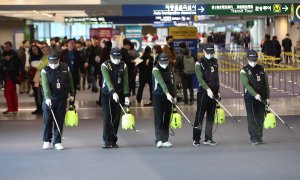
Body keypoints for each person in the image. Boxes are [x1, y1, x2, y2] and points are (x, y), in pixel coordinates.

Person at [41, 52, 75, 150]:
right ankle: (46, 140)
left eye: (55, 62)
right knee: (47, 120)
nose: (53, 64)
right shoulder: (45, 70)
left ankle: (57, 142)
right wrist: (47, 98)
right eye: (51, 62)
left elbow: (70, 82)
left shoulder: (65, 68)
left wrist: (72, 94)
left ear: (59, 60)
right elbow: (45, 86)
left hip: (62, 98)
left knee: (59, 120)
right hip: (49, 99)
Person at [100, 47, 130, 149]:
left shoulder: (123, 65)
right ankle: (107, 140)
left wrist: (126, 96)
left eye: (118, 58)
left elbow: (125, 81)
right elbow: (107, 80)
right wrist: (113, 92)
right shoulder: (105, 65)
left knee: (116, 117)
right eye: (115, 58)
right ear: (110, 56)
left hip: (120, 93)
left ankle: (113, 140)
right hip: (107, 94)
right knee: (108, 116)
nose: (117, 60)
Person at [240, 50, 270, 145]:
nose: (253, 62)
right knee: (251, 117)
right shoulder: (243, 70)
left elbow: (266, 84)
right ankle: (253, 137)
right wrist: (255, 94)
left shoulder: (261, 68)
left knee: (260, 117)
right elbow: (246, 85)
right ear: (248, 59)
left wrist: (268, 97)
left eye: (255, 60)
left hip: (262, 97)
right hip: (250, 97)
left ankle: (259, 136)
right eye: (251, 60)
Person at [193, 43, 220, 146]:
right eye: (208, 53)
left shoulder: (215, 61)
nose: (210, 54)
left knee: (210, 116)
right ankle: (196, 138)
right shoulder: (199, 63)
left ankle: (208, 138)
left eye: (212, 53)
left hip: (213, 92)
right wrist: (207, 89)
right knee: (199, 115)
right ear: (204, 52)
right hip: (203, 92)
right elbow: (200, 79)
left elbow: (216, 77)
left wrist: (218, 91)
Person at [152, 53, 176, 148]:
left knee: (167, 117)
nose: (165, 64)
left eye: (166, 62)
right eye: (163, 62)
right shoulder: (155, 69)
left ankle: (165, 139)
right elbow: (162, 83)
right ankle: (158, 139)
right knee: (159, 117)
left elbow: (173, 81)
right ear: (158, 61)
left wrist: (174, 95)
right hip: (158, 96)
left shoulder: (170, 67)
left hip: (169, 96)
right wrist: (167, 94)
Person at [2, 41, 22, 116]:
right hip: (9, 76)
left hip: (11, 77)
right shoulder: (5, 55)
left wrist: (6, 63)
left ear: (11, 46)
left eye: (8, 46)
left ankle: (11, 109)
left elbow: (14, 66)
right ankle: (14, 109)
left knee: (7, 93)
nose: (6, 47)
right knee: (12, 92)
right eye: (5, 46)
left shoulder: (14, 55)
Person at [96, 40, 112, 106]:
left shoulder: (103, 52)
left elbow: (101, 63)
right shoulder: (111, 52)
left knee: (103, 87)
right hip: (110, 72)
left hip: (103, 72)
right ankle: (109, 101)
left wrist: (99, 73)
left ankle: (101, 101)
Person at [29, 45, 44, 114]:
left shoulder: (43, 56)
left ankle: (44, 108)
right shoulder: (31, 57)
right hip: (34, 77)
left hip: (43, 76)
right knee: (36, 93)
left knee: (42, 93)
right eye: (33, 50)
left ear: (38, 49)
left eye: (35, 49)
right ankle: (38, 108)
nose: (34, 51)